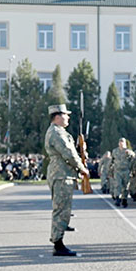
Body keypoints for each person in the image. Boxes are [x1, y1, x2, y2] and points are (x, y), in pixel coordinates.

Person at [44, 104, 89, 256]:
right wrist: (82, 168)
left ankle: (58, 240)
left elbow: (72, 150)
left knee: (63, 208)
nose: (68, 117)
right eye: (65, 114)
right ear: (57, 116)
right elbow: (68, 153)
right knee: (61, 209)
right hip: (61, 174)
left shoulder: (59, 132)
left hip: (62, 173)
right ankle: (58, 244)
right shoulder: (56, 132)